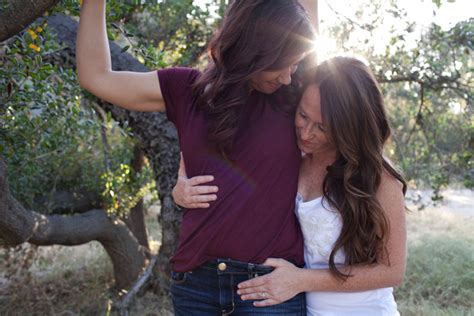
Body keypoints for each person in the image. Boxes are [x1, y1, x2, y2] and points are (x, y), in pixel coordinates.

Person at [76, 0, 316, 314]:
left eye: (296, 64)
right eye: (282, 64)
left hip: (268, 290)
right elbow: (96, 77)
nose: (288, 76)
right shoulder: (188, 90)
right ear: (255, 48)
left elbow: (304, 21)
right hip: (196, 287)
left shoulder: (295, 93)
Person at [174, 56, 407, 315]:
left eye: (322, 127)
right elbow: (210, 149)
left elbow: (392, 271)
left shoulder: (378, 178)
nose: (306, 133)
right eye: (302, 115)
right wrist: (181, 182)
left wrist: (301, 279)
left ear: (349, 127)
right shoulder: (293, 159)